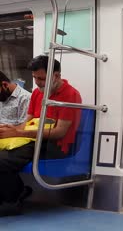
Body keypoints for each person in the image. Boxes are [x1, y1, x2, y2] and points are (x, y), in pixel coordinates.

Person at [0, 55, 82, 216]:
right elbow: (27, 122)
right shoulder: (38, 93)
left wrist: (18, 133)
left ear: (56, 75)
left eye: (41, 78)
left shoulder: (70, 95)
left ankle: (12, 201)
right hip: (33, 139)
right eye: (34, 78)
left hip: (54, 146)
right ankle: (16, 193)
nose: (37, 82)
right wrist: (10, 130)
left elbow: (59, 132)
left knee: (2, 160)